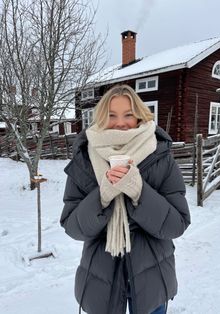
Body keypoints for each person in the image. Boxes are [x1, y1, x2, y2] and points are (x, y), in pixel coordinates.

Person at [60, 84, 191, 314]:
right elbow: (72, 227)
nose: (120, 122)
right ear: (101, 117)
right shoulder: (85, 161)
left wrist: (139, 191)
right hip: (101, 285)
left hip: (152, 281)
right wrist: (101, 197)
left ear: (139, 116)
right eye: (111, 115)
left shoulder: (160, 157)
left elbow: (177, 224)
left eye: (128, 114)